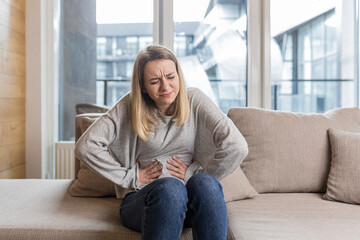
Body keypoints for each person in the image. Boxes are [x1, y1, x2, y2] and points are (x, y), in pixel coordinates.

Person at [75, 45, 248, 240]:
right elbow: (86, 146)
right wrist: (130, 177)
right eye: (155, 81)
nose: (165, 87)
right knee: (171, 189)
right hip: (144, 202)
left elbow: (237, 146)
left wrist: (192, 173)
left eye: (171, 77)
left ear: (179, 77)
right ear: (143, 86)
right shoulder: (129, 105)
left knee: (205, 182)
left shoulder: (196, 101)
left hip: (191, 202)